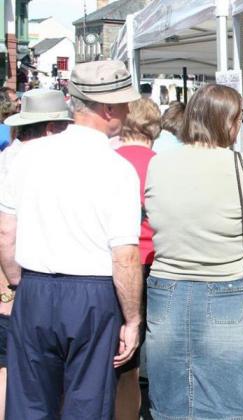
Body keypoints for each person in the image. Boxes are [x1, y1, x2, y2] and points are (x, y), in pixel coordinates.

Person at [0, 60, 143, 419]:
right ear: (107, 108)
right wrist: (133, 318)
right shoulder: (117, 168)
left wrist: (20, 283)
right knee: (86, 404)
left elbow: (5, 232)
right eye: (124, 104)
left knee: (29, 403)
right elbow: (124, 256)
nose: (128, 111)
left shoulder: (25, 156)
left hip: (35, 287)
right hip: (91, 295)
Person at [144, 84, 243, 420]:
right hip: (224, 286)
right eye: (238, 118)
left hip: (167, 288)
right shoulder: (242, 165)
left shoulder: (159, 164)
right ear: (226, 122)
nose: (240, 125)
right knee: (230, 404)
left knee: (171, 402)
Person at [0, 88, 72, 420]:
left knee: (10, 375)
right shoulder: (54, 164)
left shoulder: (7, 159)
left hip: (14, 285)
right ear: (50, 128)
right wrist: (15, 282)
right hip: (33, 284)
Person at [114, 98, 161, 420]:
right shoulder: (162, 165)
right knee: (142, 362)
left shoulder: (107, 161)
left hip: (113, 265)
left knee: (119, 360)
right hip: (155, 263)